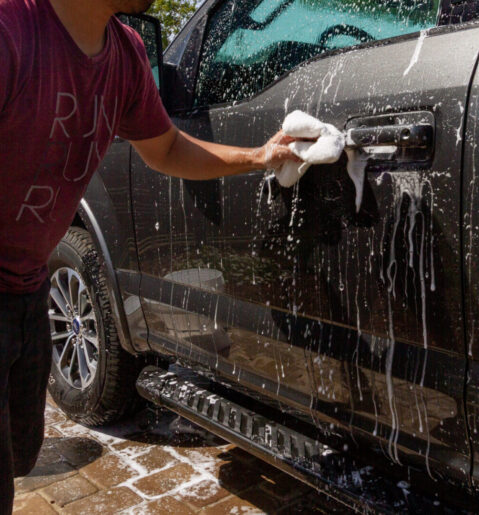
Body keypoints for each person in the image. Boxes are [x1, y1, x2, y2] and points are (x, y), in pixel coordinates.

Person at [0, 0, 302, 510]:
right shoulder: (11, 29)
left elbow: (166, 148)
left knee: (20, 454)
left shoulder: (125, 53)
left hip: (27, 286)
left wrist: (261, 157)